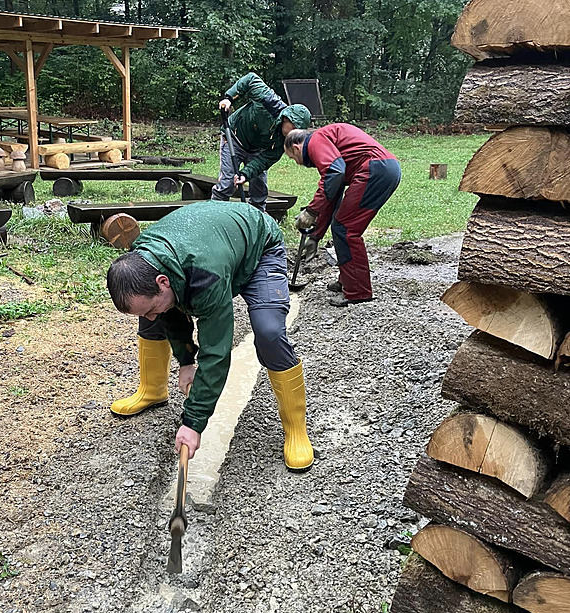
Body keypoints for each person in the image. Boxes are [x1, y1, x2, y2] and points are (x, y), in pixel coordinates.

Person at [106, 200, 314, 472]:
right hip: (210, 245)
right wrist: (186, 362)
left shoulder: (205, 276)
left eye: (153, 306)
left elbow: (216, 353)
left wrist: (193, 423)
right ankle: (152, 391)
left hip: (258, 247)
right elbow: (168, 311)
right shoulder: (141, 260)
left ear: (162, 281)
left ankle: (296, 429)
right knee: (153, 318)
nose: (151, 315)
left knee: (269, 331)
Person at [284, 124, 401, 307]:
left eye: (293, 157)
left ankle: (357, 292)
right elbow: (333, 193)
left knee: (345, 229)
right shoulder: (325, 141)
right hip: (383, 169)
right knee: (343, 225)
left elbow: (334, 173)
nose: (297, 162)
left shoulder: (316, 140)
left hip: (375, 169)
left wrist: (311, 211)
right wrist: (315, 236)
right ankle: (348, 281)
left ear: (296, 147)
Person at [212, 72, 312, 212]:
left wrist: (245, 174)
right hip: (233, 137)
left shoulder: (285, 142)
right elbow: (251, 79)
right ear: (286, 119)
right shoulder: (270, 102)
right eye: (294, 128)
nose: (293, 134)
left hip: (257, 149)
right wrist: (229, 98)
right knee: (227, 183)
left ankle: (258, 222)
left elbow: (264, 160)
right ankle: (214, 214)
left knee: (259, 189)